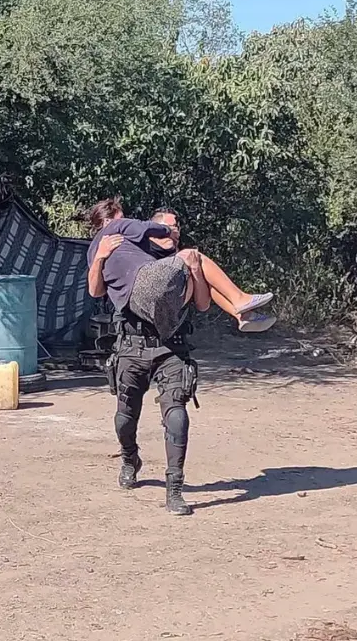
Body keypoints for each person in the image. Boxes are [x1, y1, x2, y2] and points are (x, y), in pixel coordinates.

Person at [84, 197, 274, 515]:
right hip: (131, 346)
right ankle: (129, 458)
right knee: (124, 418)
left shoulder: (174, 263)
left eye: (176, 227)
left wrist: (197, 271)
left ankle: (175, 489)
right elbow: (95, 291)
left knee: (175, 413)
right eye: (167, 226)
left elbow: (201, 303)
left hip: (170, 347)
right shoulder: (125, 248)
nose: (172, 231)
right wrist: (101, 257)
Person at [147, 208, 277, 333]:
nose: (175, 231)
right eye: (170, 227)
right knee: (191, 254)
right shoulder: (143, 251)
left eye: (177, 227)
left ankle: (242, 315)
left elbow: (203, 305)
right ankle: (239, 299)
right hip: (153, 299)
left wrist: (195, 269)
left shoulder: (178, 256)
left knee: (195, 260)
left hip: (171, 304)